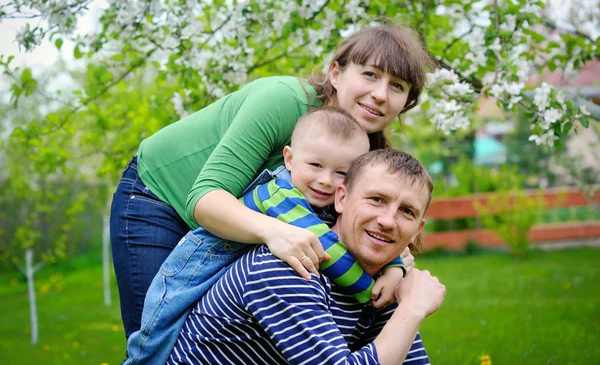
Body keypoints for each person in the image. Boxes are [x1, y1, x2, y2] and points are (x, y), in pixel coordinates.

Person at [110, 24, 434, 338]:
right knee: (159, 338)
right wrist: (274, 231)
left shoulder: (366, 151)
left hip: (232, 224)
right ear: (335, 73)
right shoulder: (282, 102)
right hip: (159, 197)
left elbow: (365, 226)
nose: (380, 94)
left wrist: (396, 267)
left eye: (397, 86)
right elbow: (205, 199)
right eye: (370, 75)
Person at [124, 107, 411, 365]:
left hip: (236, 267)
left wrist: (394, 267)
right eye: (315, 166)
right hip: (199, 266)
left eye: (341, 172)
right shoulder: (281, 194)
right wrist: (369, 288)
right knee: (157, 337)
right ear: (289, 158)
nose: (325, 180)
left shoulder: (319, 200)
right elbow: (326, 250)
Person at [167, 149, 445, 365]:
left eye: (406, 211)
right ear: (341, 200)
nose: (387, 221)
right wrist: (412, 309)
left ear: (416, 231)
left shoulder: (380, 282)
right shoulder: (290, 266)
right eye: (376, 200)